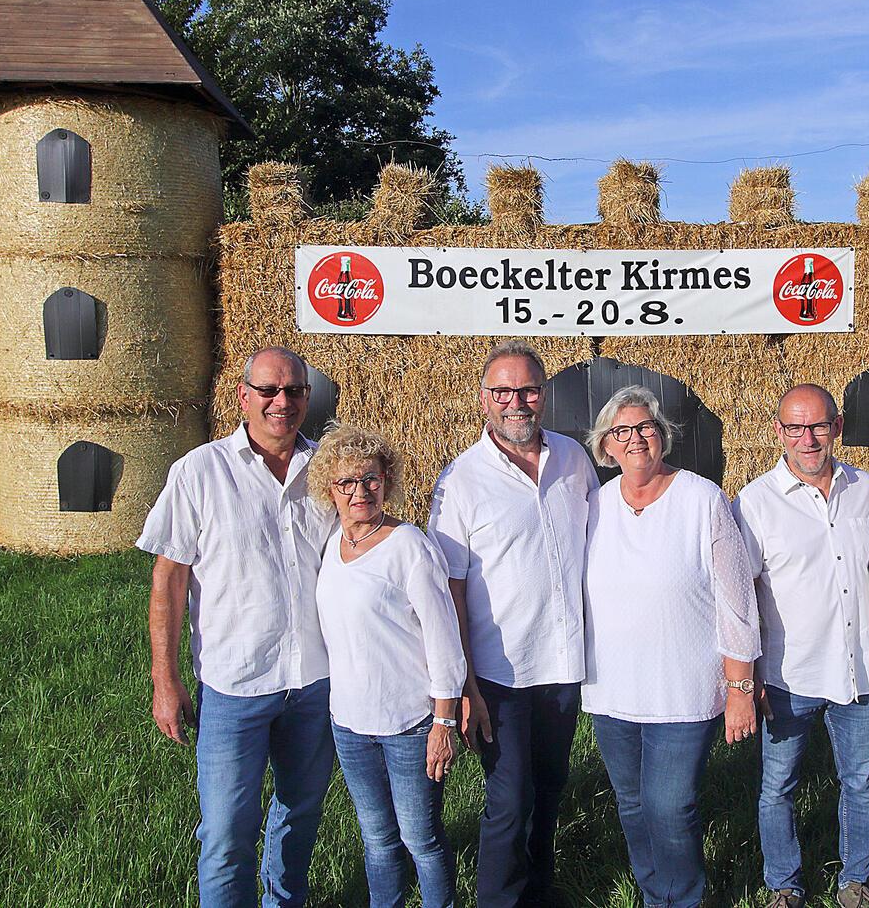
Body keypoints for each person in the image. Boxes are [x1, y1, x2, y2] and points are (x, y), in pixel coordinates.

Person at [139, 346, 337, 908]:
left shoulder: (327, 472)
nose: (282, 402)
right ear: (242, 396)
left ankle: (283, 901)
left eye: (294, 390)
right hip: (234, 683)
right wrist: (165, 680)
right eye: (269, 390)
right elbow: (169, 580)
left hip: (316, 681)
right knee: (226, 832)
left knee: (300, 815)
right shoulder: (200, 471)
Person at [427, 339, 600, 908]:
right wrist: (465, 684)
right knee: (508, 799)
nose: (516, 402)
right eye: (502, 391)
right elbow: (448, 587)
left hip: (564, 663)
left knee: (549, 789)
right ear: (483, 400)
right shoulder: (461, 481)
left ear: (543, 395)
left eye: (526, 389)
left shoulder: (574, 459)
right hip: (500, 674)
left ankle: (540, 892)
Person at [582, 385, 761, 908]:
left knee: (669, 805)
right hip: (611, 690)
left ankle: (685, 897)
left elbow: (736, 601)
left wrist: (740, 687)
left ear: (663, 437)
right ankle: (652, 891)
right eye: (622, 432)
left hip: (682, 688)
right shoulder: (595, 505)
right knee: (632, 804)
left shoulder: (701, 498)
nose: (636, 438)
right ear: (605, 448)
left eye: (646, 428)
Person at [733, 385, 869, 908]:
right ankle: (784, 886)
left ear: (837, 427)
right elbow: (738, 597)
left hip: (861, 671)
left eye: (818, 426)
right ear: (778, 432)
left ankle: (855, 882)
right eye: (795, 428)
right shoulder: (754, 503)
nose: (808, 438)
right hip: (787, 674)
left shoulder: (868, 489)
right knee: (778, 786)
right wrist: (744, 678)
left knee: (861, 782)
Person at [307, 422, 466, 908]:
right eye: (347, 482)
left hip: (409, 723)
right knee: (377, 841)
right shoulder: (331, 545)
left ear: (387, 480)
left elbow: (444, 640)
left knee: (422, 840)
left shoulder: (409, 546)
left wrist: (442, 722)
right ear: (329, 489)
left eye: (371, 479)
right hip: (350, 724)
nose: (360, 491)